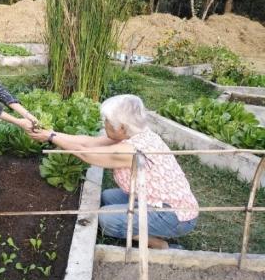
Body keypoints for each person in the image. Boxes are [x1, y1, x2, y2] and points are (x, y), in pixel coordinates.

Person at [28, 94, 198, 249]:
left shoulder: (130, 150)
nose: (105, 124)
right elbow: (89, 142)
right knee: (108, 196)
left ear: (122, 128)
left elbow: (86, 153)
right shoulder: (139, 134)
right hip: (157, 200)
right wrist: (51, 133)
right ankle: (147, 225)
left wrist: (51, 139)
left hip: (175, 215)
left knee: (105, 219)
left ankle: (161, 245)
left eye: (107, 121)